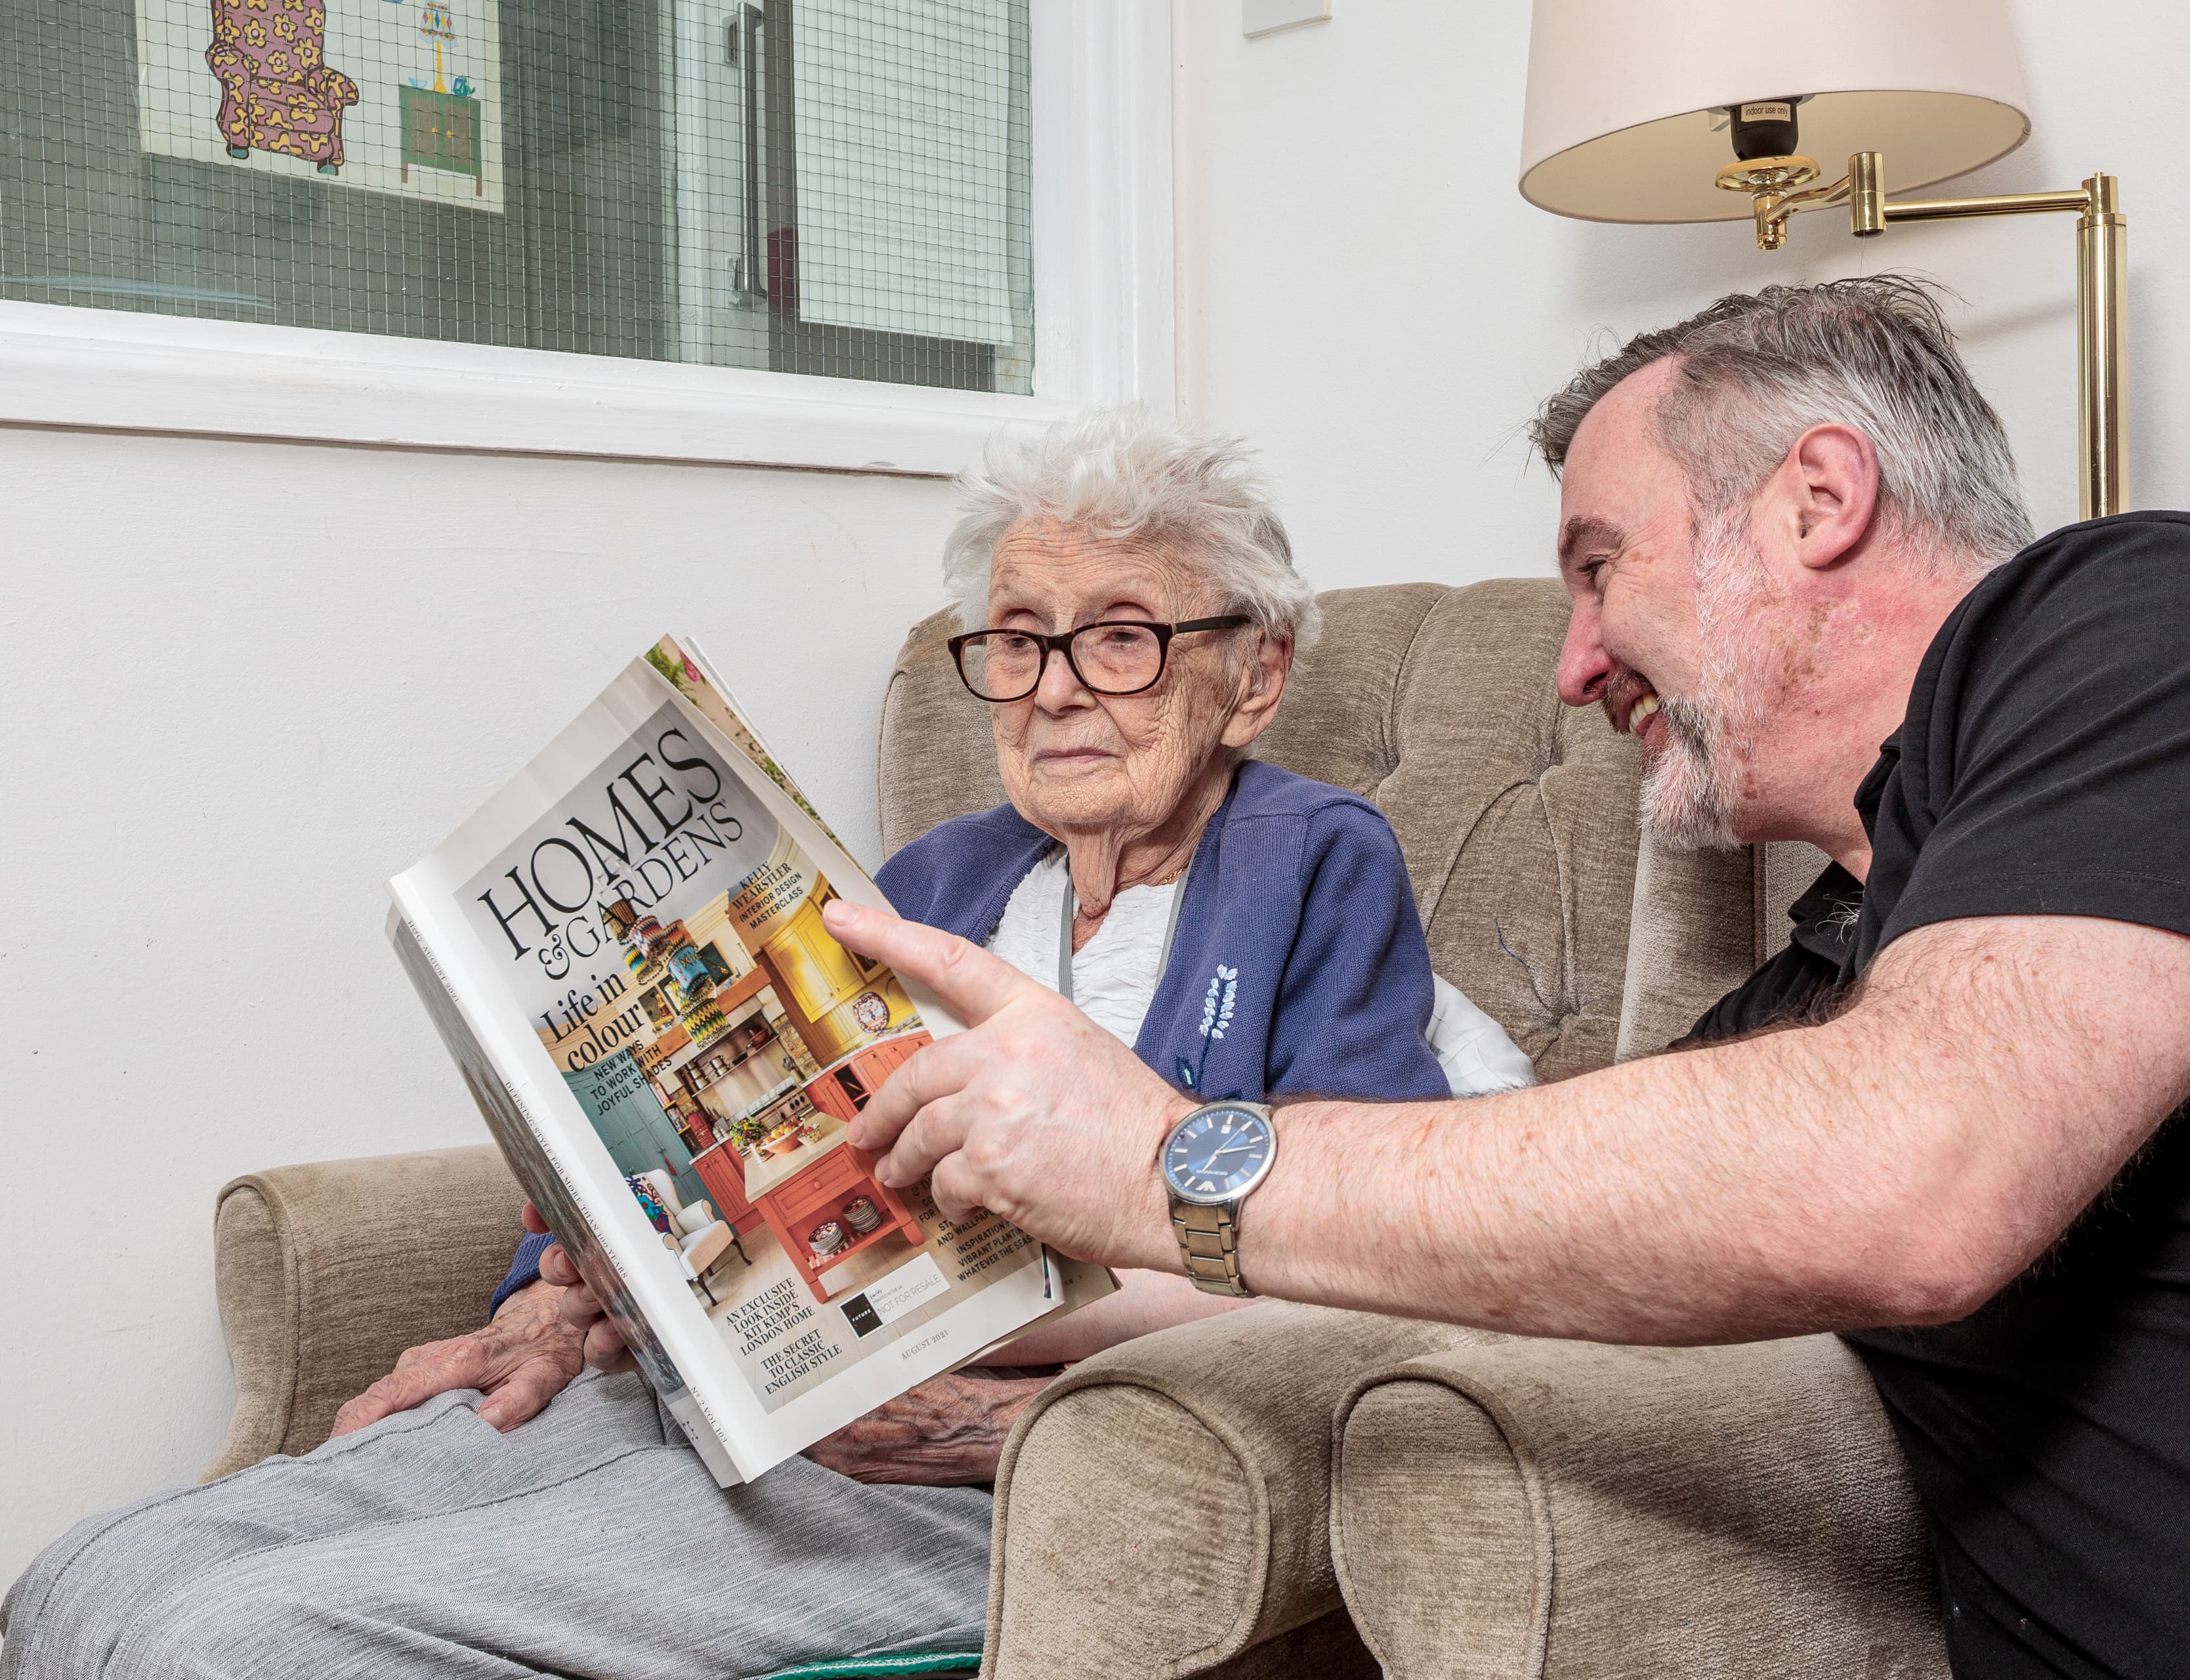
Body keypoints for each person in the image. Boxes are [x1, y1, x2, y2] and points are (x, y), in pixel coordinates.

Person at [801, 281, 2190, 1677]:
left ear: (1820, 498)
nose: (1567, 666)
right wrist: (974, 1350)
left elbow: (1912, 1177)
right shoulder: (1796, 1020)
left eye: (1598, 566)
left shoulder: (2157, 618)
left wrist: (1171, 1158)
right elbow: (1448, 1273)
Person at [0, 410, 1523, 1679]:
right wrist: (553, 1293)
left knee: (238, 1645)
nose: (1053, 686)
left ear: (1251, 673)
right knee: (86, 1582)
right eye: (1016, 638)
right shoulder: (937, 880)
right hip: (720, 1398)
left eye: (1120, 639)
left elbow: (1347, 1250)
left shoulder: (1315, 857)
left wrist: (998, 1402)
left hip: (974, 1467)